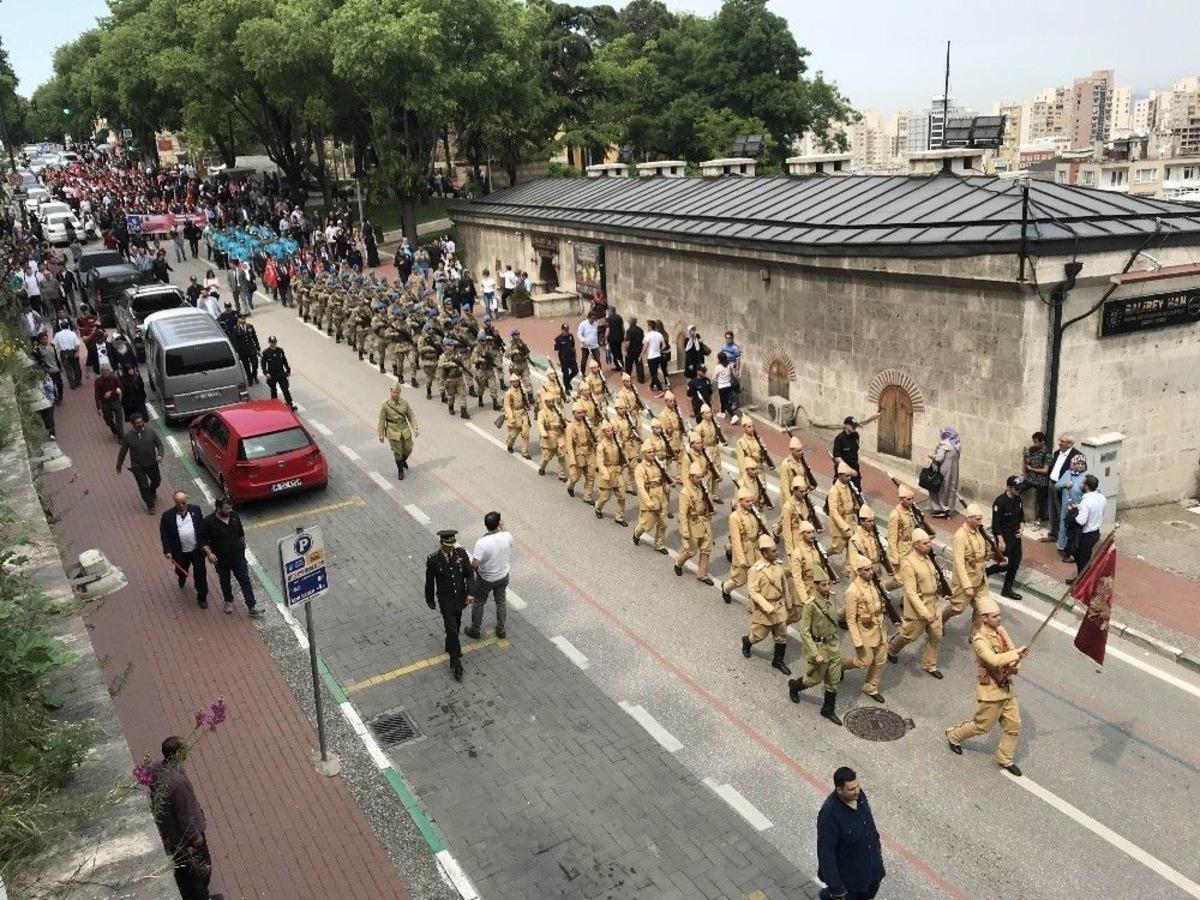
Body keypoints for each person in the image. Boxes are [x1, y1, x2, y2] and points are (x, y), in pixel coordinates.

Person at [946, 596, 1027, 776]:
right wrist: (1015, 654)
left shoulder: (1001, 631)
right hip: (991, 688)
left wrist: (1017, 658)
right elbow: (992, 659)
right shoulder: (979, 639)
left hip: (1006, 686)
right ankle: (954, 735)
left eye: (999, 615)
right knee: (982, 726)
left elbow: (1011, 652)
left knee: (1014, 725)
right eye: (994, 616)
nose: (999, 619)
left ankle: (1004, 758)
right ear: (984, 618)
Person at [147, 735, 220, 900]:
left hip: (171, 836)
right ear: (178, 754)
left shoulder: (157, 769)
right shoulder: (178, 784)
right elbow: (185, 815)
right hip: (186, 838)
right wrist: (196, 837)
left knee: (183, 871)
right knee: (201, 869)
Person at [816, 767, 885, 900]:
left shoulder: (859, 796)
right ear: (839, 790)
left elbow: (869, 824)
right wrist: (836, 888)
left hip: (872, 874)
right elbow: (826, 853)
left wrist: (878, 851)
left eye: (857, 786)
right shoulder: (829, 815)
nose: (857, 791)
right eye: (851, 789)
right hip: (850, 883)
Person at [787, 564, 844, 724]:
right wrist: (815, 653)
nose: (827, 587)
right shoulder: (810, 605)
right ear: (816, 585)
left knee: (833, 680)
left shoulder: (831, 598)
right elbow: (804, 632)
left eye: (828, 584)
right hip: (819, 647)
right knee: (815, 679)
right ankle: (795, 686)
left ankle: (828, 709)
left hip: (832, 644)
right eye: (823, 584)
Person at [885, 528, 944, 678]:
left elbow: (934, 578)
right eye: (925, 543)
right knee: (909, 636)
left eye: (929, 542)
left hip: (933, 603)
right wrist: (925, 613)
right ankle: (891, 648)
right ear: (915, 545)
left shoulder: (928, 558)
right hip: (919, 607)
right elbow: (910, 593)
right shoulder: (909, 563)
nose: (929, 545)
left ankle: (930, 664)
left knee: (936, 635)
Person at [201, 498, 262, 617]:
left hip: (238, 557)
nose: (230, 510)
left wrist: (243, 546)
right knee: (225, 581)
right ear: (218, 508)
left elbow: (241, 533)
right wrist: (209, 553)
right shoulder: (208, 522)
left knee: (245, 580)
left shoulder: (234, 516)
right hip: (221, 559)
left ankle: (251, 606)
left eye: (231, 508)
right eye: (227, 508)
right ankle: (228, 600)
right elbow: (202, 540)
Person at [424, 529, 473, 681]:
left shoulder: (461, 555)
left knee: (456, 626)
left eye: (452, 544)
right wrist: (430, 599)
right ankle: (456, 662)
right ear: (441, 543)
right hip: (445, 601)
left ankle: (449, 645)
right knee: (452, 630)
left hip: (459, 599)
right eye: (447, 544)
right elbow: (430, 582)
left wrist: (470, 593)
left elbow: (469, 574)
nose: (450, 547)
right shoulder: (433, 560)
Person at [740, 534, 792, 675]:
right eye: (773, 551)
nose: (777, 553)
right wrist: (767, 607)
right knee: (758, 636)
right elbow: (753, 591)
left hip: (778, 606)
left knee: (781, 635)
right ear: (764, 553)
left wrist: (788, 602)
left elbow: (784, 585)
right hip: (765, 610)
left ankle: (778, 660)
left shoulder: (778, 565)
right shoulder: (755, 570)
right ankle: (747, 642)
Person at [842, 551, 888, 703]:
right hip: (865, 632)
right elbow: (850, 619)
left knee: (880, 659)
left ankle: (871, 687)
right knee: (864, 661)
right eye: (867, 570)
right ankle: (839, 666)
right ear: (858, 571)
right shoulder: (852, 591)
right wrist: (857, 641)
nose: (871, 572)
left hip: (879, 628)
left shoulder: (872, 583)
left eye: (871, 568)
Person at [465, 511, 514, 640]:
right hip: (503, 576)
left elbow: (475, 564)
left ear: (486, 525)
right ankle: (501, 629)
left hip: (486, 578)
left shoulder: (482, 543)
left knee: (479, 602)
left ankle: (475, 630)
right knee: (501, 601)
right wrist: (503, 526)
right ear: (498, 523)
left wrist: (472, 570)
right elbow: (507, 534)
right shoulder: (507, 536)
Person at [941, 503, 992, 627]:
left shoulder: (980, 532)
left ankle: (976, 635)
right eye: (977, 519)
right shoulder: (960, 536)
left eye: (981, 518)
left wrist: (997, 556)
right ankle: (939, 623)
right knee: (956, 608)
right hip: (967, 579)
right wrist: (967, 586)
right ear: (968, 518)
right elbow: (958, 563)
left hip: (980, 579)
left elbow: (985, 553)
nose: (980, 522)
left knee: (982, 608)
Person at [160, 491, 209, 609]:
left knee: (201, 574)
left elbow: (201, 528)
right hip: (180, 552)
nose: (181, 506)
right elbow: (164, 534)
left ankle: (202, 597)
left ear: (187, 500)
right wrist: (167, 550)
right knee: (181, 570)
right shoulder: (167, 516)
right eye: (178, 503)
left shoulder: (196, 510)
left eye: (183, 503)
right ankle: (181, 577)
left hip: (196, 550)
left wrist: (206, 545)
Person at [986, 476, 1025, 600]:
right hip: (1004, 536)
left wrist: (1021, 528)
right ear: (1009, 487)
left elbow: (1021, 517)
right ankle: (986, 572)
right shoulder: (1000, 502)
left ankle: (1007, 589)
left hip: (1015, 535)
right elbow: (995, 524)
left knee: (1016, 562)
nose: (1019, 491)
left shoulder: (1018, 499)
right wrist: (1000, 541)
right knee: (1005, 563)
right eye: (1016, 488)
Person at [116, 412, 164, 513]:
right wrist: (119, 464)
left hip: (152, 463)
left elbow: (160, 445)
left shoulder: (150, 432)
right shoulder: (128, 437)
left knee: (156, 481)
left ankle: (152, 491)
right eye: (137, 423)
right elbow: (123, 452)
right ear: (132, 424)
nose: (140, 424)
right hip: (137, 466)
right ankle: (150, 505)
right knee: (143, 486)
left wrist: (160, 455)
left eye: (141, 422)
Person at [1042, 433, 1083, 545]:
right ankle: (1053, 534)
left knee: (1062, 512)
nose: (1059, 442)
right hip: (1052, 484)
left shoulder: (1077, 457)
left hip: (1064, 488)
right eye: (1059, 440)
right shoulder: (1057, 453)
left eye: (1062, 441)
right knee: (1052, 510)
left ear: (1070, 444)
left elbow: (1080, 474)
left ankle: (1063, 538)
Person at [1067, 475, 1106, 584]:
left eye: (1083, 483)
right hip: (1095, 532)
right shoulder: (1102, 497)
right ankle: (1080, 579)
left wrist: (1072, 512)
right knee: (1084, 558)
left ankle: (1082, 583)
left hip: (1085, 535)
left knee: (1081, 560)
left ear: (1087, 486)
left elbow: (1081, 521)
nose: (1081, 485)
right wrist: (1079, 507)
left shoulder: (1086, 502)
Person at [377, 384, 418, 480]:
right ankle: (400, 470)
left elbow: (411, 415)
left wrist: (415, 428)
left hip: (404, 429)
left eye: (397, 392)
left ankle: (402, 461)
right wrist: (381, 434)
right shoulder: (385, 405)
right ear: (390, 391)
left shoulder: (404, 403)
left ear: (400, 392)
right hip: (393, 431)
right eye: (393, 392)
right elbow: (382, 420)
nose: (395, 394)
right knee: (398, 452)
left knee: (409, 448)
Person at [1055, 453, 1089, 562]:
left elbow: (1093, 490)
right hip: (1066, 506)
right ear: (1073, 464)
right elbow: (1057, 485)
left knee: (1075, 530)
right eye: (1077, 463)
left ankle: (1073, 551)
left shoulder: (1087, 476)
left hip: (1078, 508)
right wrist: (1065, 484)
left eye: (1082, 464)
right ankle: (1062, 545)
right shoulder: (1067, 473)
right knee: (1064, 525)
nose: (1079, 466)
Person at [928, 427, 961, 517]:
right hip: (953, 471)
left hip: (943, 471)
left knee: (938, 489)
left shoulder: (944, 445)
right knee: (951, 489)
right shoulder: (956, 446)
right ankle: (949, 509)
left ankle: (939, 508)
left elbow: (939, 458)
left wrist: (931, 456)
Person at [1021, 432, 1051, 524]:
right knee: (1018, 489)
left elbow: (1045, 470)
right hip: (1031, 479)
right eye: (1034, 442)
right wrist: (1025, 456)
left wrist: (1032, 469)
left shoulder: (1047, 454)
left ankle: (1042, 519)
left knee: (1041, 502)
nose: (1034, 444)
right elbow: (1028, 462)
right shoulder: (1032, 450)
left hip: (1042, 481)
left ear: (1042, 442)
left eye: (1036, 442)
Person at [260, 336, 295, 409]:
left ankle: (290, 404)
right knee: (273, 390)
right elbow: (263, 364)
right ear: (269, 343)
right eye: (272, 343)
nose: (273, 344)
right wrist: (266, 373)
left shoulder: (280, 351)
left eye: (274, 342)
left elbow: (284, 361)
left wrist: (288, 370)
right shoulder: (266, 353)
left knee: (285, 389)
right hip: (271, 374)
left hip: (281, 373)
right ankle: (274, 405)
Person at [832, 417, 862, 493]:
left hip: (854, 468)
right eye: (853, 426)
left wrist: (854, 469)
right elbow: (837, 458)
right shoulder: (839, 439)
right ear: (846, 426)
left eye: (855, 426)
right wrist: (849, 470)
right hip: (843, 471)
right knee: (840, 492)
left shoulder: (855, 435)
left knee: (857, 492)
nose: (855, 428)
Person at [713, 351, 737, 423]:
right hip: (728, 386)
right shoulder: (729, 365)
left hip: (722, 387)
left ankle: (733, 415)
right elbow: (734, 365)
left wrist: (713, 383)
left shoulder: (718, 367)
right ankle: (723, 413)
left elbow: (714, 377)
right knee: (723, 400)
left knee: (724, 402)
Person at [645, 320, 666, 392]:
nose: (647, 327)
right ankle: (651, 386)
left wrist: (641, 354)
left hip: (651, 357)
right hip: (658, 356)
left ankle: (660, 388)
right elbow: (664, 345)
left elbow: (645, 346)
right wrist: (659, 350)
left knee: (653, 374)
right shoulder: (659, 335)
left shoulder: (648, 335)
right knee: (654, 373)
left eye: (648, 326)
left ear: (650, 327)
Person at [623, 316, 645, 383]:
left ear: (630, 322)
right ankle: (641, 379)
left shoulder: (629, 330)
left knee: (629, 364)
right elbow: (642, 338)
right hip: (638, 349)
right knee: (639, 364)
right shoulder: (640, 330)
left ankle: (627, 376)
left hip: (631, 350)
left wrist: (625, 350)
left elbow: (628, 342)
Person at [605, 306, 624, 370]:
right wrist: (623, 335)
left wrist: (605, 338)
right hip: (619, 338)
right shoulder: (619, 317)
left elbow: (608, 329)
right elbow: (622, 327)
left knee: (614, 353)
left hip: (612, 339)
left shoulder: (608, 319)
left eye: (608, 311)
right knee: (619, 351)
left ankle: (618, 366)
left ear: (610, 311)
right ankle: (622, 364)